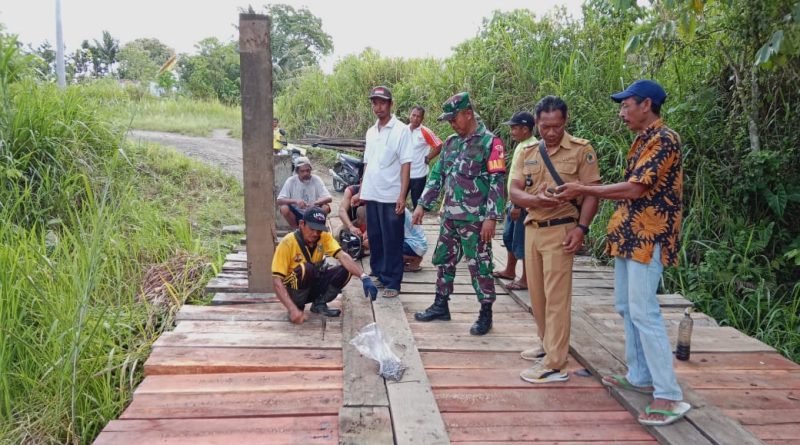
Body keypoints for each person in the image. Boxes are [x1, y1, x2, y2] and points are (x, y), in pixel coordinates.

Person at [554, 80, 690, 425]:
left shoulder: (664, 139)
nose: (621, 112)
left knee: (645, 312)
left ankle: (669, 395)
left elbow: (636, 187)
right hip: (630, 236)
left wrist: (585, 188)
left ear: (646, 104)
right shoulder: (642, 140)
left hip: (649, 237)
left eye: (626, 105)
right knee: (626, 307)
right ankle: (640, 375)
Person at [509, 96, 601, 383]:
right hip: (532, 228)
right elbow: (513, 191)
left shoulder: (581, 150)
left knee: (557, 299)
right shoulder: (527, 151)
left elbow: (592, 193)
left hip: (562, 230)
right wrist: (535, 199)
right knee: (537, 296)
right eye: (546, 126)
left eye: (557, 126)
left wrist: (581, 229)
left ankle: (556, 364)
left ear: (565, 122)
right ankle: (546, 343)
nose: (551, 132)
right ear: (536, 123)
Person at [412, 92, 506, 336]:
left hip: (476, 220)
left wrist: (491, 217)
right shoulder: (452, 142)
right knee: (443, 260)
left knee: (480, 265)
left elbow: (497, 181)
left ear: (468, 113)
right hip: (450, 217)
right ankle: (441, 305)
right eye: (449, 120)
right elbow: (437, 175)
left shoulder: (490, 143)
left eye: (455, 118)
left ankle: (486, 313)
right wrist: (423, 204)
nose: (452, 123)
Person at [272, 206, 378, 323]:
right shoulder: (287, 242)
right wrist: (292, 309)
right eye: (312, 229)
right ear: (302, 224)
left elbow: (342, 256)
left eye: (319, 230)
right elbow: (276, 281)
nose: (315, 234)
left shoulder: (324, 237)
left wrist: (364, 277)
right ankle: (297, 307)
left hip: (312, 284)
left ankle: (319, 303)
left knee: (346, 269)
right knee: (305, 269)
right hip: (293, 291)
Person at [360, 86, 412, 298]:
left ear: (390, 104)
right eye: (375, 103)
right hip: (372, 192)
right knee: (376, 236)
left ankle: (393, 282)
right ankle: (380, 273)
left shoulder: (401, 130)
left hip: (391, 194)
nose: (378, 107)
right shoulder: (371, 131)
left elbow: (405, 164)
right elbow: (367, 163)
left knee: (392, 238)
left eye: (382, 102)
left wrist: (402, 195)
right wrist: (362, 189)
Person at [493, 111, 536, 290]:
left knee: (522, 240)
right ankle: (510, 270)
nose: (511, 132)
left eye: (514, 128)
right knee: (509, 236)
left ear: (525, 129)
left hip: (522, 203)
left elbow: (529, 178)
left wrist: (518, 204)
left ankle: (525, 278)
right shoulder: (522, 145)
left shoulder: (531, 147)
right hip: (515, 201)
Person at [404, 106, 443, 208]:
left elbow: (439, 145)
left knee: (417, 203)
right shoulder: (403, 130)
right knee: (398, 201)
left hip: (418, 174)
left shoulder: (425, 132)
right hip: (404, 173)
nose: (415, 118)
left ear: (422, 119)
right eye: (414, 115)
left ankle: (417, 223)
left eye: (418, 116)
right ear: (410, 115)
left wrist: (428, 157)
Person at [277, 157, 332, 228]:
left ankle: (317, 228)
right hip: (297, 212)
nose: (305, 173)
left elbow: (329, 198)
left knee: (325, 207)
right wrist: (296, 201)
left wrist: (316, 203)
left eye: (307, 170)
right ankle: (296, 229)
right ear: (297, 171)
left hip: (313, 213)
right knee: (284, 208)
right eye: (302, 171)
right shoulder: (291, 181)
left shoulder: (316, 179)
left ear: (310, 170)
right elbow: (279, 200)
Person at [337, 184, 369, 255]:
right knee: (338, 235)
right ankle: (361, 243)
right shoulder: (351, 190)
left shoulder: (374, 192)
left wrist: (369, 232)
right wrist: (351, 226)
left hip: (371, 225)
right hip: (355, 223)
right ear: (361, 181)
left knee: (361, 210)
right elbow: (341, 211)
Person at [402, 208, 428, 272]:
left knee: (387, 252)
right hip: (419, 245)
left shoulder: (397, 209)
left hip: (414, 244)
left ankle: (415, 259)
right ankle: (412, 260)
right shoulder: (402, 208)